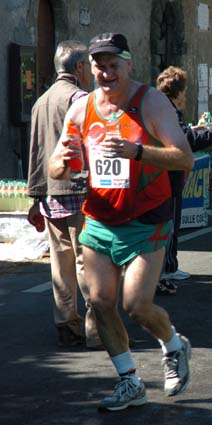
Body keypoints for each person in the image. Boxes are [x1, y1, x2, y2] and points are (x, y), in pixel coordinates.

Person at [48, 33, 194, 411]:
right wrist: (63, 159)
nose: (106, 73)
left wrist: (138, 151)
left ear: (129, 65)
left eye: (114, 65)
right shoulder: (81, 108)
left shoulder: (151, 101)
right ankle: (130, 381)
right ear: (90, 68)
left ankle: (174, 346)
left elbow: (184, 158)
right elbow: (54, 167)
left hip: (146, 217)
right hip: (99, 216)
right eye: (99, 66)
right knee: (99, 301)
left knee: (137, 305)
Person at [26, 40, 101, 349]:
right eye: (91, 67)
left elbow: (37, 153)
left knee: (61, 265)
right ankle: (98, 329)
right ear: (80, 68)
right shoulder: (82, 99)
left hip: (51, 195)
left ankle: (66, 324)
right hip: (81, 192)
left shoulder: (40, 101)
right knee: (89, 263)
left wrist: (35, 197)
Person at [155, 66, 212, 294]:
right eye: (185, 90)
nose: (187, 94)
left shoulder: (164, 109)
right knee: (169, 223)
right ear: (178, 91)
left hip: (168, 174)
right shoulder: (168, 110)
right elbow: (185, 139)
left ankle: (168, 266)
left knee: (170, 222)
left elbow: (182, 133)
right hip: (167, 176)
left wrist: (195, 128)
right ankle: (166, 269)